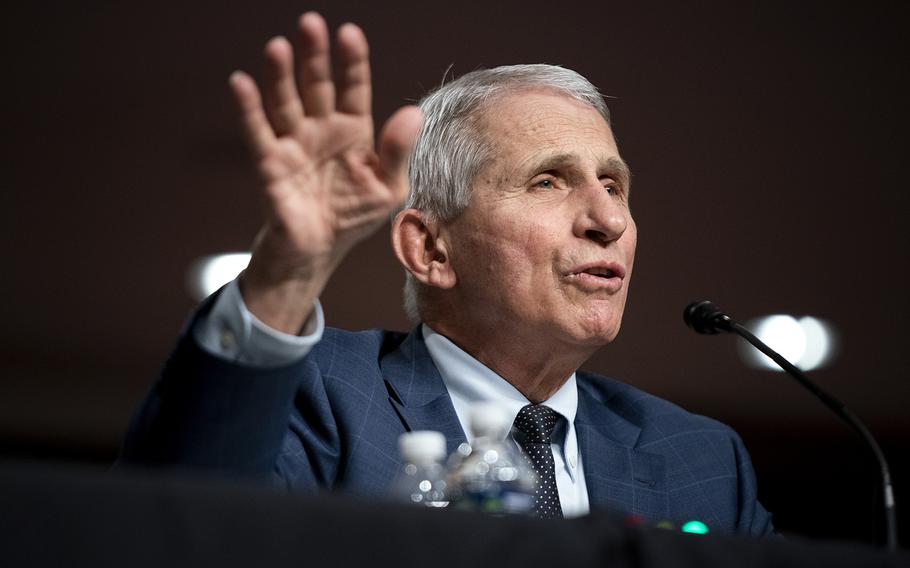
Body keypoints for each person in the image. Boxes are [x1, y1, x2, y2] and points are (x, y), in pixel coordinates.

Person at [121, 12, 774, 534]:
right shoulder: (325, 396)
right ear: (431, 249)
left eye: (615, 184)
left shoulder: (704, 460)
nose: (607, 219)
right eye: (548, 181)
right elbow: (175, 527)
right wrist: (288, 272)